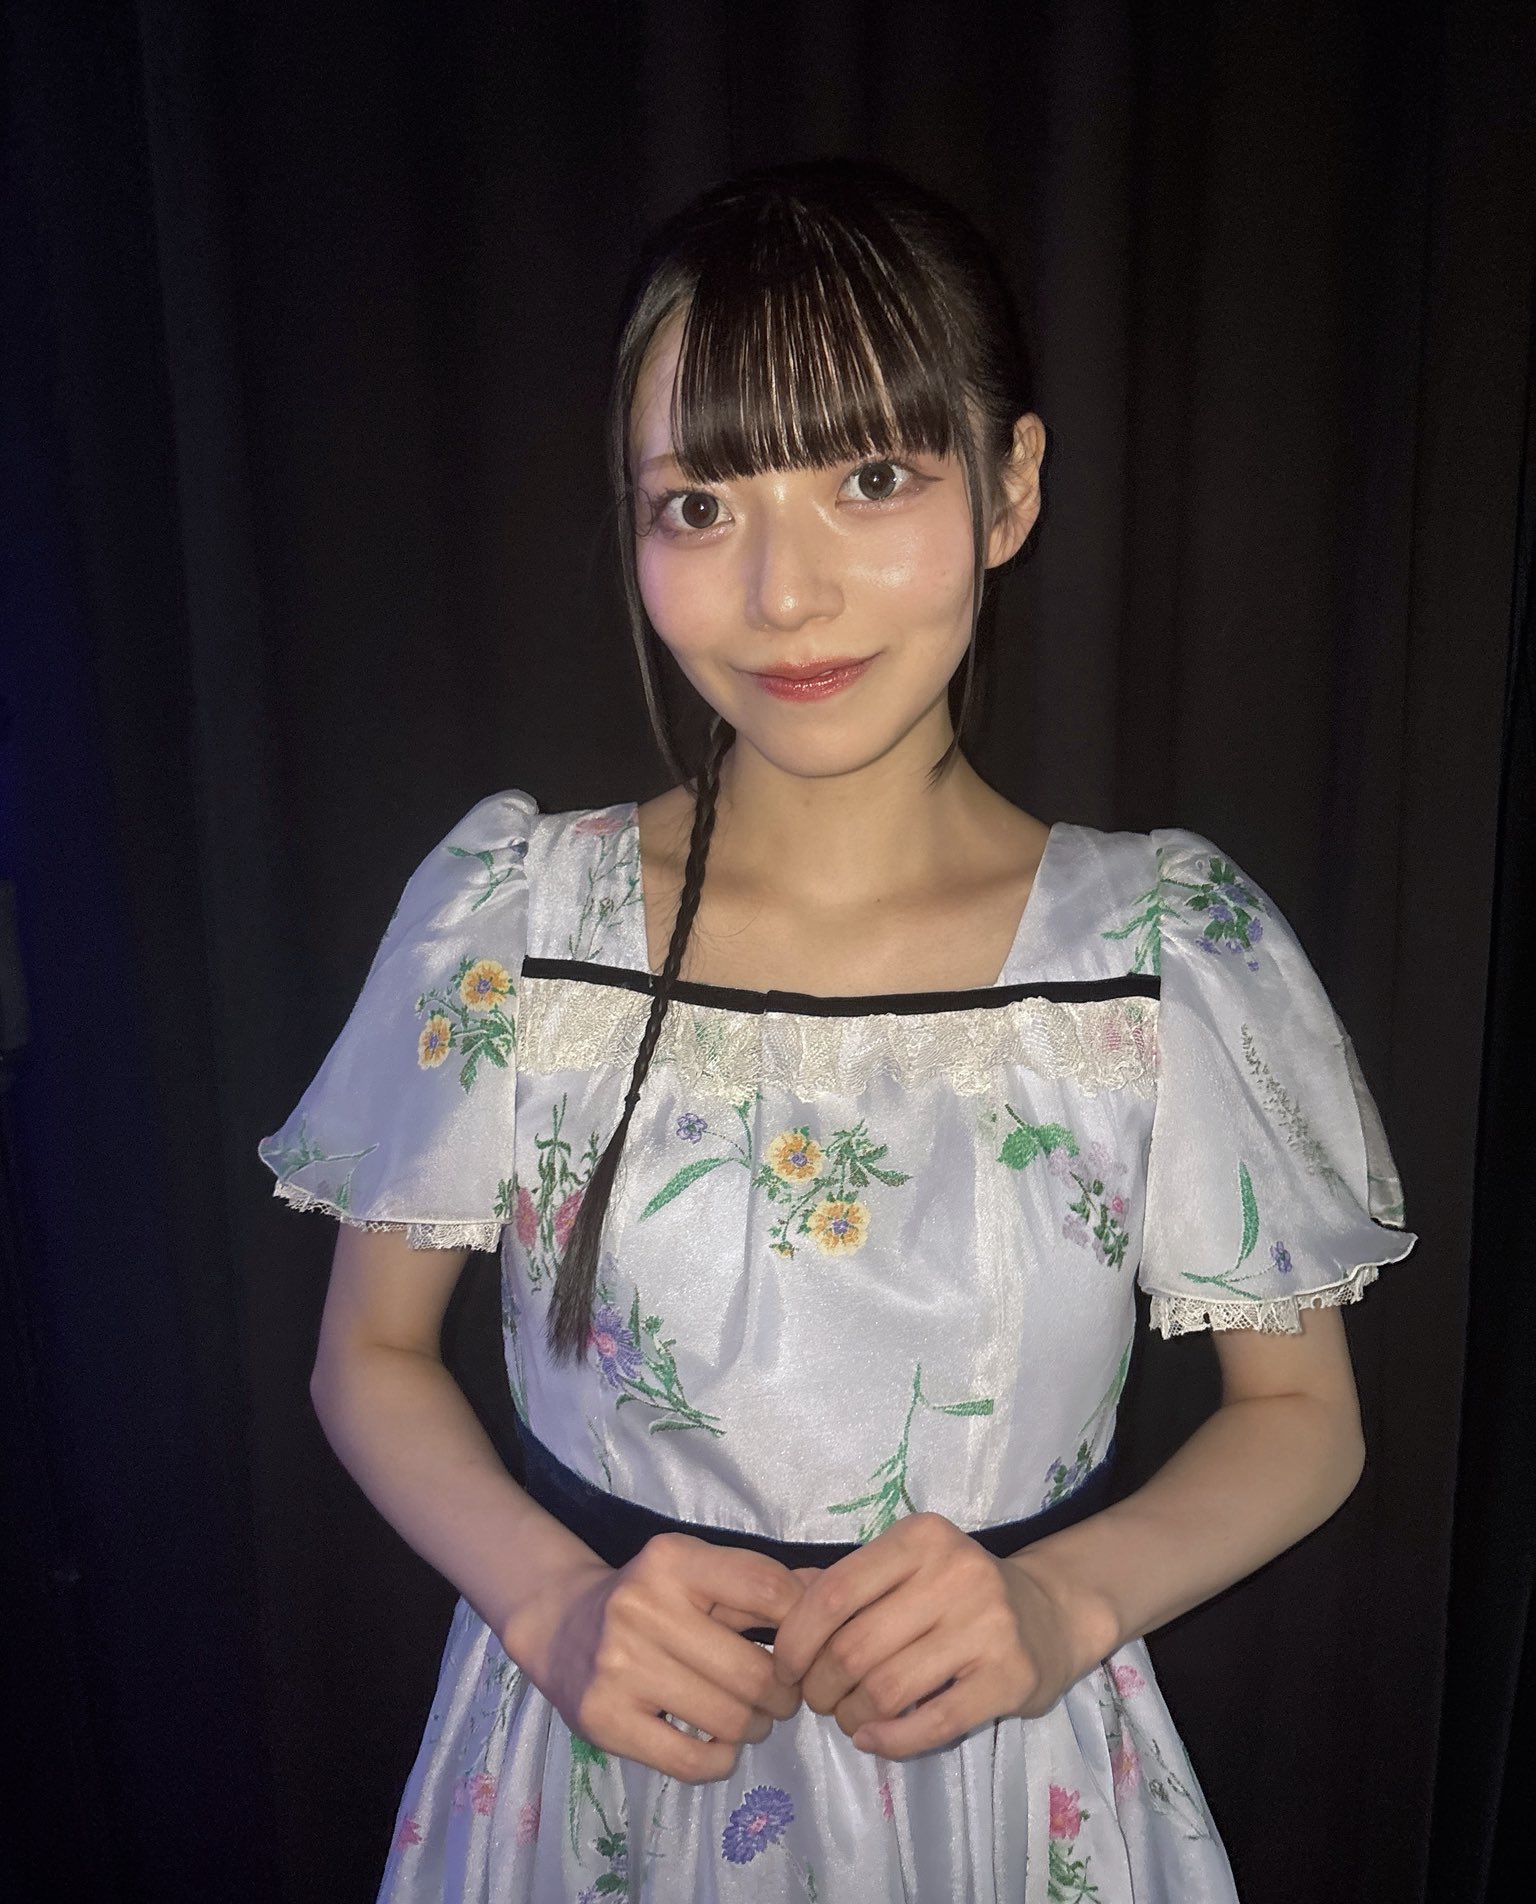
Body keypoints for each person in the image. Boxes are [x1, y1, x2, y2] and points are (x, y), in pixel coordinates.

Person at [258, 158, 1417, 1903]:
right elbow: (369, 1353)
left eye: (872, 477)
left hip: (1006, 1785)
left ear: (1011, 487)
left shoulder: (1164, 954)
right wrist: (552, 1601)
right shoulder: (515, 923)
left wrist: (1062, 1602)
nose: (784, 595)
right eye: (698, 504)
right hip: (589, 1765)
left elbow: (1304, 1413)